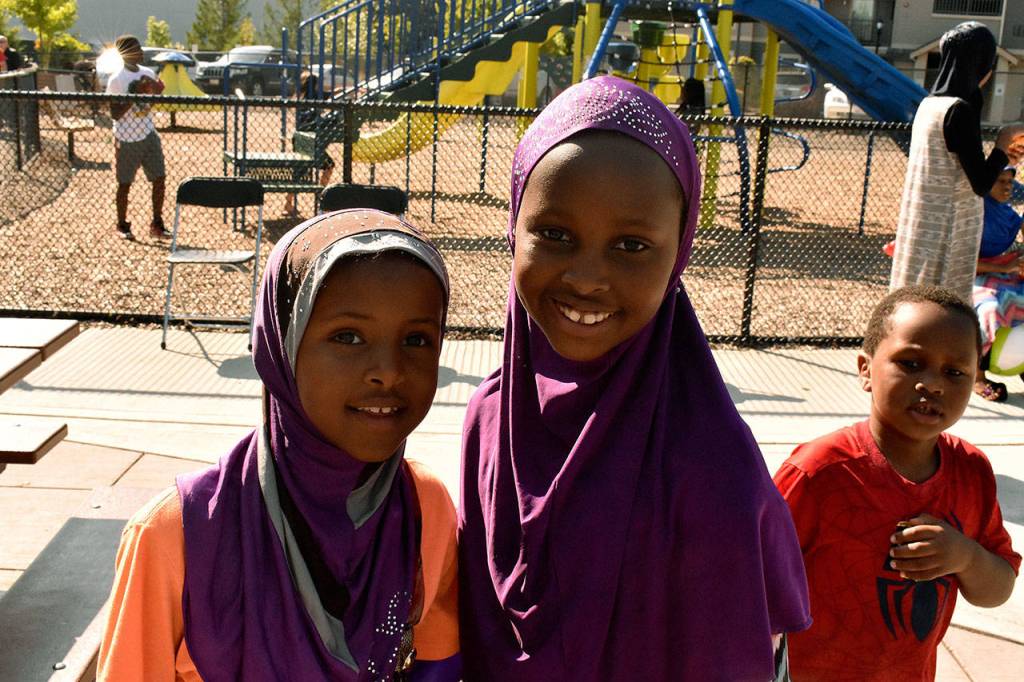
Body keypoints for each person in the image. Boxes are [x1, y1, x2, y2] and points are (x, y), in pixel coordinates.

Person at [457, 76, 810, 681]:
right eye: (556, 235)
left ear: (678, 256)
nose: (588, 278)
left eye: (630, 245)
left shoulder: (710, 474)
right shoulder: (491, 418)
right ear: (513, 227)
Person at [97, 210, 461, 681]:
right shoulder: (176, 537)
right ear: (280, 349)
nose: (388, 370)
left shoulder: (425, 508)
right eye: (348, 336)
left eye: (416, 339)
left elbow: (438, 664)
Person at [774, 285, 1020, 681]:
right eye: (910, 363)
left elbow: (997, 589)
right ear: (865, 369)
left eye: (954, 372)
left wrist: (965, 557)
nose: (933, 384)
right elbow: (750, 581)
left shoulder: (971, 471)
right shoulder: (818, 472)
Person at [890, 22, 1024, 303]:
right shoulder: (959, 110)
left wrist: (1001, 158)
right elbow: (980, 184)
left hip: (922, 228)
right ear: (981, 63)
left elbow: (957, 170)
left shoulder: (930, 105)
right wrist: (1002, 141)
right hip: (948, 234)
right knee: (943, 314)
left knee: (913, 305)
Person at [105, 34, 170, 241]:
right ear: (126, 53)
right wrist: (135, 94)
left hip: (148, 133)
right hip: (126, 138)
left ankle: (157, 223)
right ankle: (122, 224)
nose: (141, 52)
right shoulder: (117, 79)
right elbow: (115, 114)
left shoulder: (147, 72)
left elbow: (149, 105)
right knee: (125, 183)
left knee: (159, 178)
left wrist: (156, 92)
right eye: (137, 49)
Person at [973, 165, 1024, 400]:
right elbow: (962, 261)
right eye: (1000, 181)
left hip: (1003, 273)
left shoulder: (1008, 214)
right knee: (991, 309)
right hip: (974, 275)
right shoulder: (973, 212)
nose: (1007, 187)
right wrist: (1002, 268)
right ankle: (977, 377)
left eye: (1009, 182)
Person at [284, 71, 337, 217]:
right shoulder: (313, 96)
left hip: (301, 139)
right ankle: (320, 197)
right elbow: (329, 94)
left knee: (300, 172)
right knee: (328, 165)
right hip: (309, 141)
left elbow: (330, 94)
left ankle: (288, 202)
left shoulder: (302, 96)